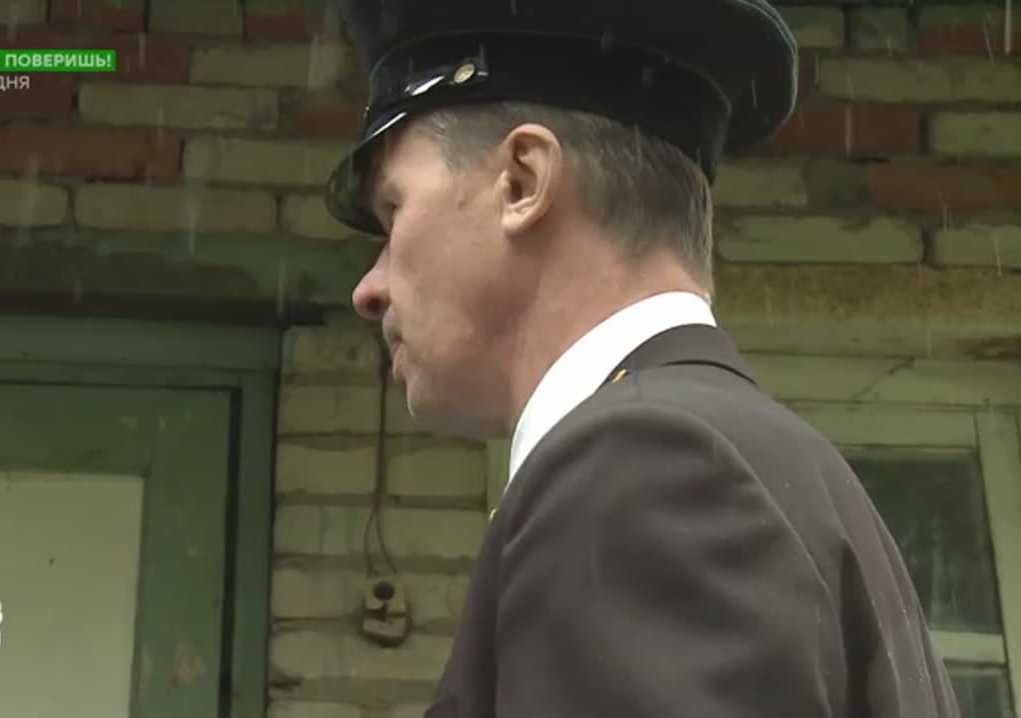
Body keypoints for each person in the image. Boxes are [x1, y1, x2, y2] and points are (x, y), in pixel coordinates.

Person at [321, 1, 964, 717]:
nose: (369, 289)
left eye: (392, 213)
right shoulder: (779, 468)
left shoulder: (637, 467)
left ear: (522, 182)